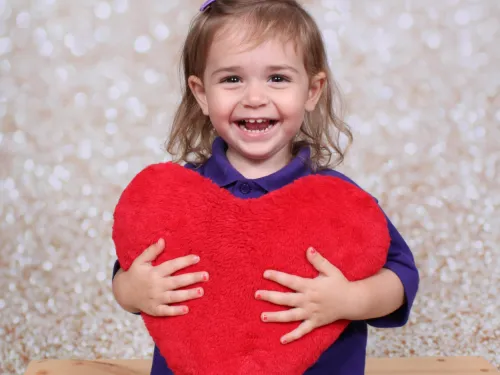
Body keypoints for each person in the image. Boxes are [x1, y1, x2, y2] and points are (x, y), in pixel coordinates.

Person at [111, 0, 419, 374]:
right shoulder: (177, 197)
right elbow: (127, 270)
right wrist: (132, 291)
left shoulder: (337, 201)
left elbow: (401, 277)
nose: (254, 98)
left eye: (277, 78)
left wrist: (349, 299)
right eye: (232, 79)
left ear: (312, 90)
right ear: (202, 93)